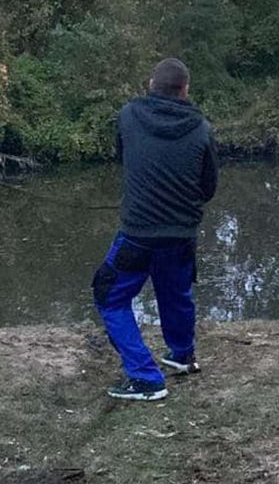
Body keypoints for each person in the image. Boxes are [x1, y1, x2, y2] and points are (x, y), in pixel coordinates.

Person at [92, 58, 219, 401]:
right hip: (181, 234)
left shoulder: (129, 115)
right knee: (175, 292)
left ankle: (146, 377)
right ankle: (182, 356)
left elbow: (125, 157)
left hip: (138, 233)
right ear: (185, 90)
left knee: (108, 293)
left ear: (151, 85)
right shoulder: (202, 128)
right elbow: (208, 188)